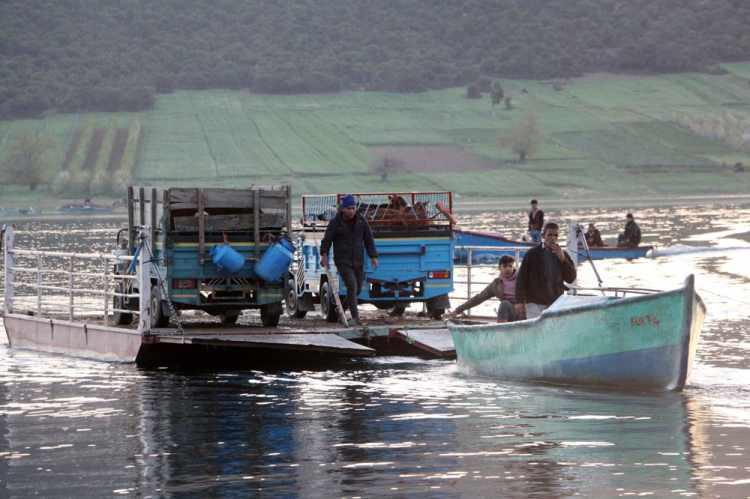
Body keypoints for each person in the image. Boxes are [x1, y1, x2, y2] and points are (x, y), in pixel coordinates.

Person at [320, 194, 379, 326]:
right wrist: (324, 255)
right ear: (343, 209)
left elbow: (369, 239)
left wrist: (373, 256)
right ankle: (355, 317)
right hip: (343, 260)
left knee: (357, 289)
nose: (352, 211)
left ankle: (340, 309)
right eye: (349, 208)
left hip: (358, 260)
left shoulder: (361, 221)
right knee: (352, 286)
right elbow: (327, 239)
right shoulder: (336, 223)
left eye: (353, 208)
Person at [515, 222, 577, 319]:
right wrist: (519, 301)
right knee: (536, 331)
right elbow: (521, 278)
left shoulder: (562, 254)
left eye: (555, 235)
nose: (553, 238)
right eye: (550, 235)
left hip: (555, 302)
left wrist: (563, 260)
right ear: (543, 236)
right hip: (534, 303)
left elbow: (571, 278)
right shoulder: (532, 254)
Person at [448, 255, 523, 322]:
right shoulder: (496, 284)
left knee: (505, 304)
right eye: (505, 266)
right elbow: (479, 298)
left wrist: (522, 304)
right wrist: (457, 310)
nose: (508, 269)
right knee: (504, 304)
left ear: (514, 267)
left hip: (524, 310)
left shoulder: (521, 279)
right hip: (509, 311)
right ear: (499, 268)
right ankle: (501, 331)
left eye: (510, 266)